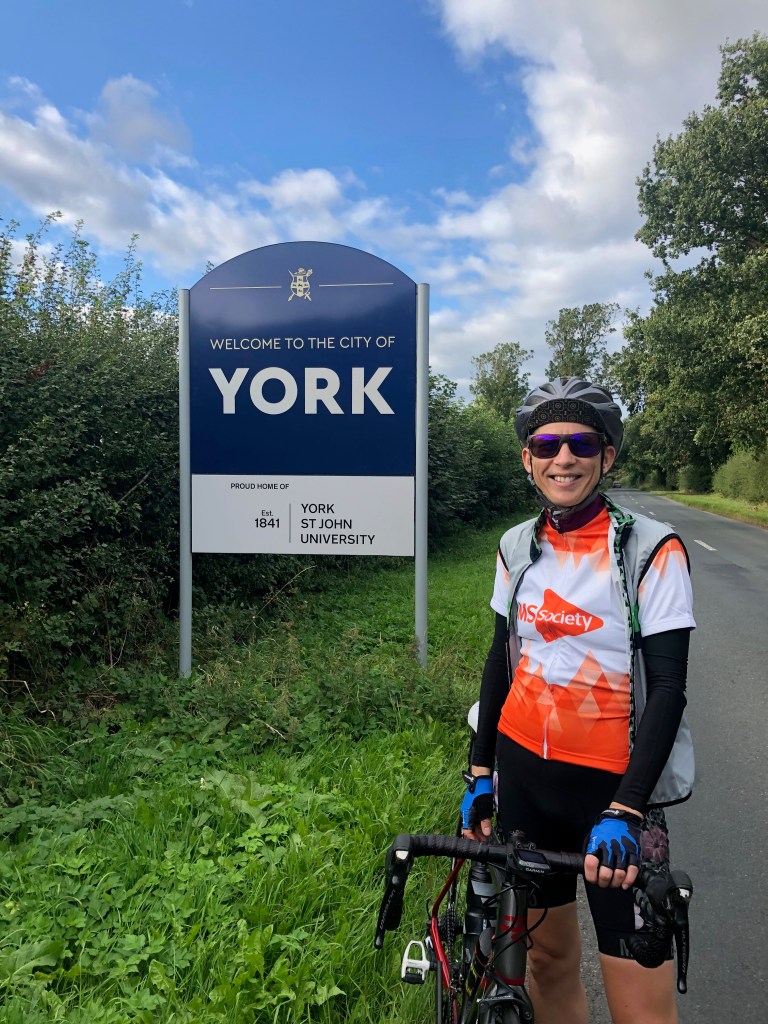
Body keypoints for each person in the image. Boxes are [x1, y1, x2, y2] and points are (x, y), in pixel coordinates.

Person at [460, 377, 695, 1024]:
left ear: (607, 456)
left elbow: (669, 689)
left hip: (616, 796)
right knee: (548, 967)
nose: (563, 458)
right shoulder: (516, 545)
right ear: (527, 459)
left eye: (581, 444)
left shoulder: (652, 549)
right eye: (547, 444)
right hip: (525, 784)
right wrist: (480, 772)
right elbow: (500, 661)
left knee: (641, 1007)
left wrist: (628, 807)